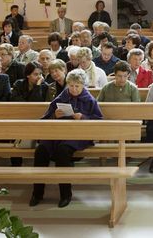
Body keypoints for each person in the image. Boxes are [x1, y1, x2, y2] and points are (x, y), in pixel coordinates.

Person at [30, 68, 103, 208]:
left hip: (78, 136)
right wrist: (54, 116)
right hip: (56, 134)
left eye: (77, 86)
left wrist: (83, 117)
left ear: (83, 86)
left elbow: (99, 120)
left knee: (63, 151)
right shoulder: (60, 98)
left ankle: (65, 194)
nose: (74, 89)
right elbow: (44, 119)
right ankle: (37, 193)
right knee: (40, 151)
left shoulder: (89, 100)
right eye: (71, 86)